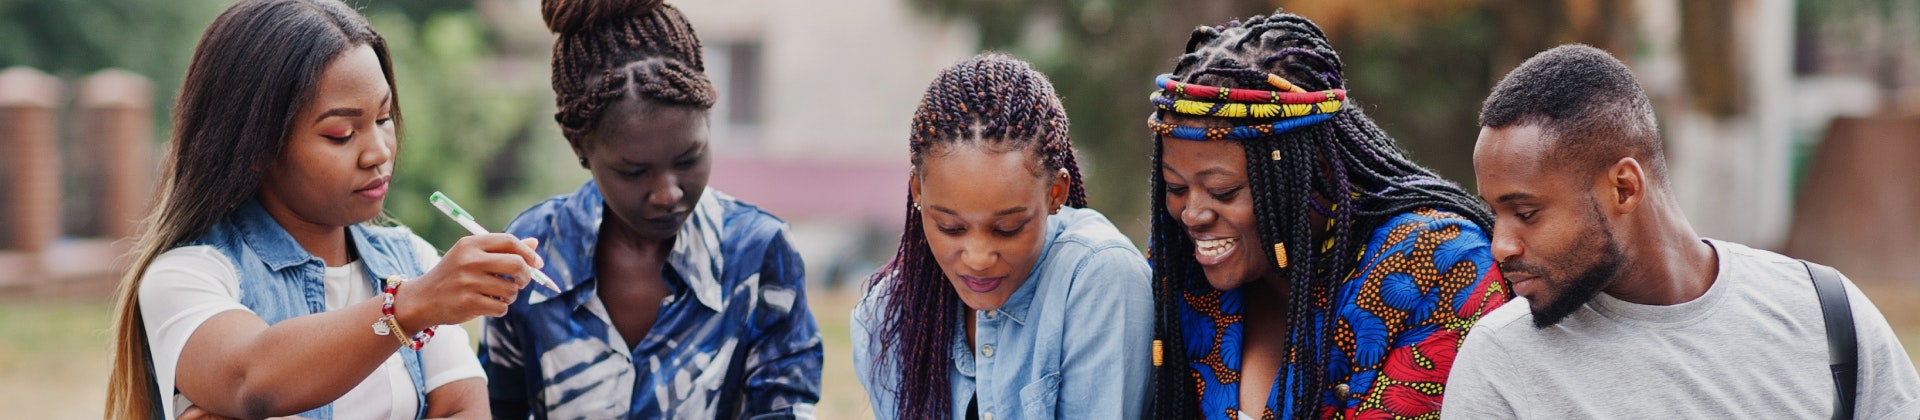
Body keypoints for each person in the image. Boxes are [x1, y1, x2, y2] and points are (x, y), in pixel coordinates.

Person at [103, 1, 546, 418]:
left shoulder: (411, 259)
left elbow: (462, 408)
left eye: (384, 118)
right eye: (340, 133)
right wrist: (411, 305)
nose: (378, 152)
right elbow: (252, 379)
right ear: (256, 146)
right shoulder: (189, 276)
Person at [1443, 44, 1920, 419]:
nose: (1500, 245)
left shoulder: (1825, 312)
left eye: (1525, 213)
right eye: (1495, 214)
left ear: (1624, 188)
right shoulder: (1501, 362)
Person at [1142, 10, 1510, 420]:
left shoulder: (1435, 263)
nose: (1192, 214)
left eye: (1222, 191)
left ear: (1311, 168)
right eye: (1176, 189)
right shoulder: (1183, 267)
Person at [478, 0, 823, 418]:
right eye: (634, 171)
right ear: (581, 149)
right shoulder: (533, 250)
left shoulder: (758, 251)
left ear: (708, 126)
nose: (666, 193)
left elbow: (784, 407)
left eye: (688, 159)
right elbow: (496, 406)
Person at [850, 53, 1155, 420]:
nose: (978, 257)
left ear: (1055, 193)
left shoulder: (1099, 278)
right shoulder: (885, 317)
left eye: (1007, 229)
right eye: (951, 227)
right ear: (918, 191)